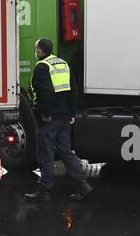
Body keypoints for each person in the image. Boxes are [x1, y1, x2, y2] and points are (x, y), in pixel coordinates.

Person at [24, 37, 92, 202]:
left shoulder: (42, 67)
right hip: (64, 117)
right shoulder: (63, 64)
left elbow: (45, 93)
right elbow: (73, 90)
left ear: (40, 50)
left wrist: (46, 114)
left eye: (36, 48)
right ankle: (82, 185)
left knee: (45, 154)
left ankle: (44, 189)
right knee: (66, 152)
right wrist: (71, 114)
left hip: (49, 118)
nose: (35, 51)